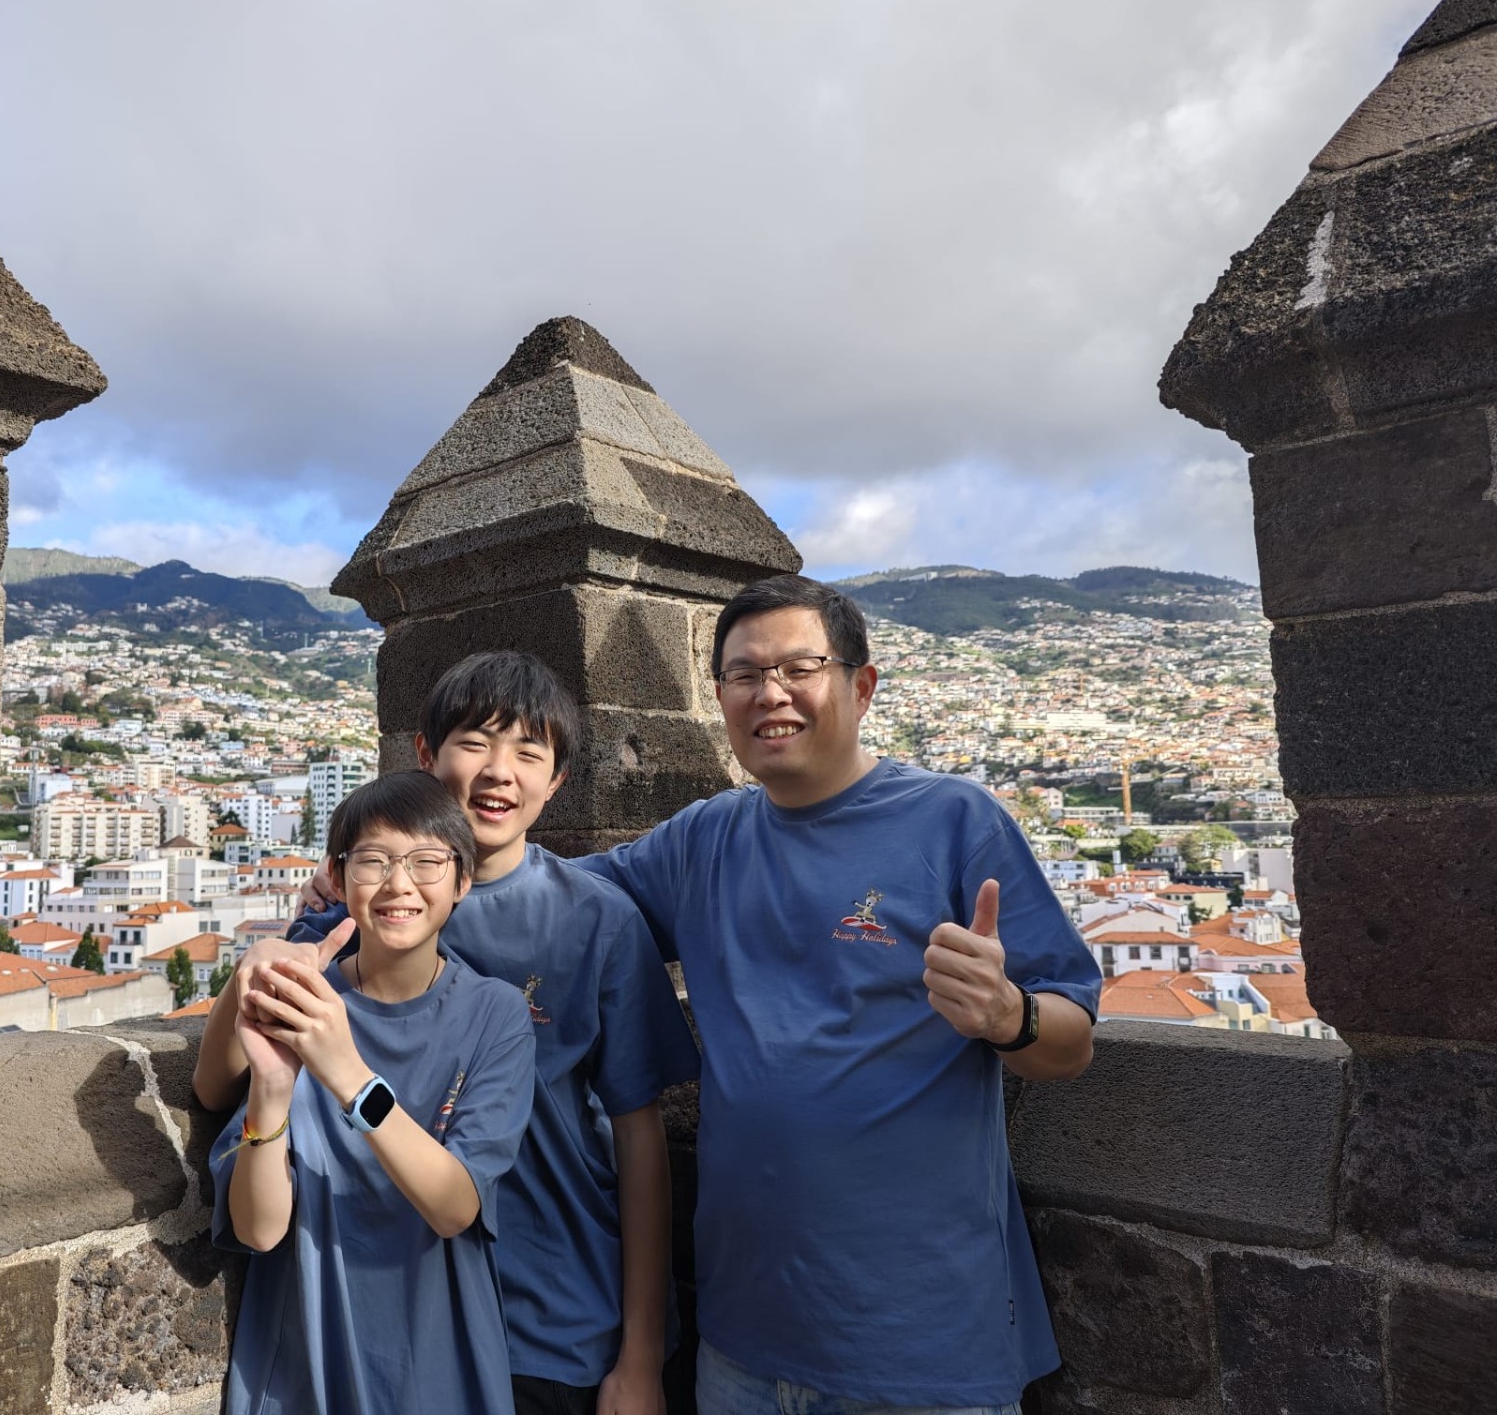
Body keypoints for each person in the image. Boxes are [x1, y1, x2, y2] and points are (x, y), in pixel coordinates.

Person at [570, 573, 1102, 1414]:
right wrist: (367, 876)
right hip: (742, 1341)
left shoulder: (955, 820)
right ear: (719, 697)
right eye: (744, 675)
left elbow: (1071, 1044)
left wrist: (1011, 1016)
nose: (769, 693)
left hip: (921, 1349)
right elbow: (548, 901)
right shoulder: (704, 838)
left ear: (860, 685)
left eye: (798, 668)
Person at [199, 652, 698, 1415]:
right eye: (476, 742)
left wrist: (639, 1355)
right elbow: (229, 1085)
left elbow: (640, 1143)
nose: (501, 771)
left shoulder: (594, 921)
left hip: (551, 1312)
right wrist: (255, 966)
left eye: (530, 753)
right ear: (427, 757)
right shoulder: (350, 924)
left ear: (557, 781)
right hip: (402, 1310)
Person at [209, 770, 537, 1415]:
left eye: (426, 861)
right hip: (303, 1349)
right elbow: (260, 1229)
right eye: (374, 860)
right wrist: (273, 1090)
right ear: (338, 874)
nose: (399, 884)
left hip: (435, 1347)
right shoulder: (301, 1002)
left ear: (462, 880)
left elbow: (455, 1207)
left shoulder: (494, 1013)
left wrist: (346, 1072)